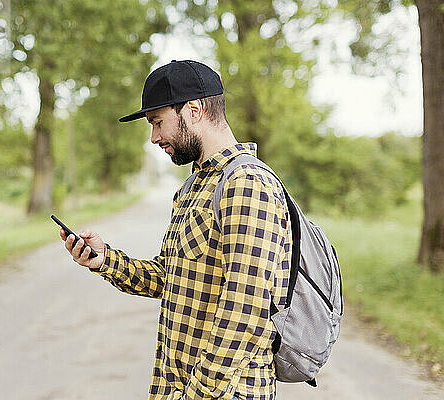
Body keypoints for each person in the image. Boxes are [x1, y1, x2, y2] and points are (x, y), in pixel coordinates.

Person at [57, 60, 292, 400]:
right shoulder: (193, 187)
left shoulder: (247, 183)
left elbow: (246, 310)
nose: (153, 138)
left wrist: (197, 393)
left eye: (158, 122)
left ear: (193, 109)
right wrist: (104, 259)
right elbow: (170, 279)